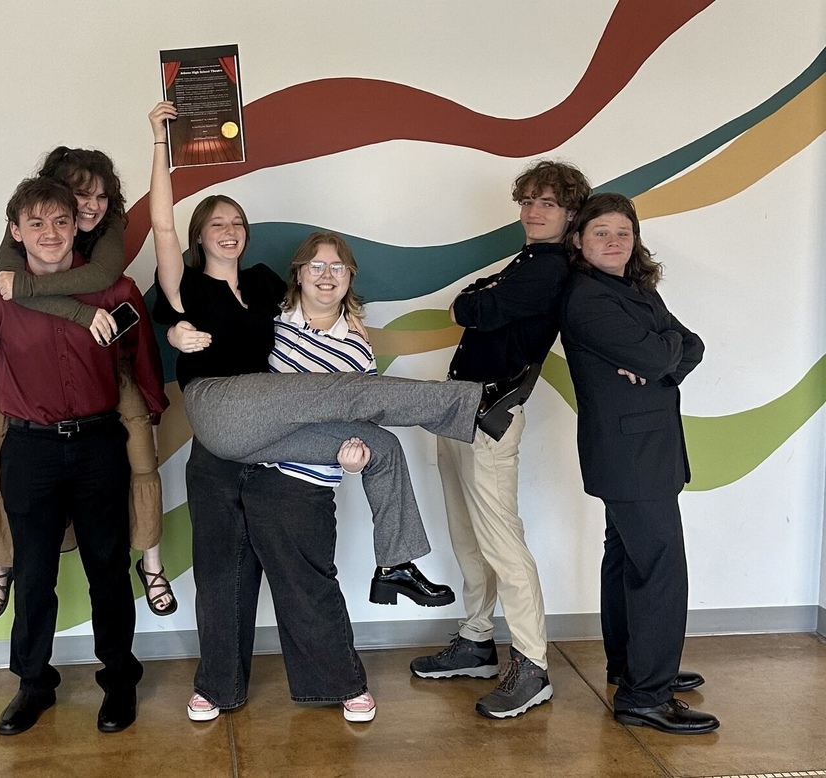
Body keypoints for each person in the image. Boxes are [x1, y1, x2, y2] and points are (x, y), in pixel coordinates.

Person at [146, 100, 526, 720]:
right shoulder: (184, 285)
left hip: (272, 446)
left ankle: (394, 564)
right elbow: (161, 228)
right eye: (216, 222)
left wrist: (348, 443)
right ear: (198, 237)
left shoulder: (270, 287)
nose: (229, 229)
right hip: (218, 422)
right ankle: (472, 404)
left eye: (237, 221)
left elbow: (317, 302)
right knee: (224, 579)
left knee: (380, 446)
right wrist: (160, 144)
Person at [0, 176, 167, 735]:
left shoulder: (114, 291)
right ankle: (33, 684)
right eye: (36, 223)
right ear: (15, 232)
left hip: (100, 445)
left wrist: (153, 405)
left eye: (60, 222)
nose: (50, 234)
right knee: (33, 574)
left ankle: (119, 682)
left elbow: (139, 355)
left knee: (107, 569)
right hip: (29, 450)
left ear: (77, 226)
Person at [173, 231, 379, 721]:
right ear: (298, 274)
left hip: (300, 481)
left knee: (306, 585)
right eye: (316, 266)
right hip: (229, 467)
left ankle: (342, 682)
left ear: (349, 279)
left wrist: (353, 459)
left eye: (337, 268)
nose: (326, 275)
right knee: (222, 580)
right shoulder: (269, 321)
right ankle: (217, 686)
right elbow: (211, 336)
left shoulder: (358, 351)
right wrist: (175, 334)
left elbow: (361, 422)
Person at [411, 160, 590, 720]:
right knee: (467, 537)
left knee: (501, 544)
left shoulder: (548, 268)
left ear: (569, 214)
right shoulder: (528, 261)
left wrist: (479, 297)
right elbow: (474, 305)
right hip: (459, 409)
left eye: (548, 204)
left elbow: (472, 307)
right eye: (528, 201)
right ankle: (476, 640)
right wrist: (479, 297)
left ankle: (532, 665)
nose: (533, 212)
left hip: (491, 415)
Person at [0, 147, 176, 622]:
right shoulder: (21, 250)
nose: (91, 205)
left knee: (141, 459)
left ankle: (150, 562)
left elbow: (112, 292)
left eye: (101, 196)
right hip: (30, 403)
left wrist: (152, 398)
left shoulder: (107, 240)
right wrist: (76, 311)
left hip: (103, 385)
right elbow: (5, 292)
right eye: (80, 195)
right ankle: (0, 565)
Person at [560, 192, 718, 734]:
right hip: (630, 454)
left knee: (627, 559)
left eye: (623, 232)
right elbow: (660, 355)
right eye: (600, 232)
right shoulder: (586, 298)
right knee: (660, 567)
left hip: (643, 451)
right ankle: (647, 695)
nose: (613, 241)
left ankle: (631, 668)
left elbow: (690, 345)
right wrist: (655, 355)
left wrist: (657, 354)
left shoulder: (634, 289)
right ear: (578, 240)